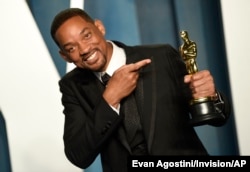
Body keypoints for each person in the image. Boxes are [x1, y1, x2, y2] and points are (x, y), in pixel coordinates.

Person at [50, 8, 231, 172]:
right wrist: (110, 98)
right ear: (64, 56)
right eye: (71, 48)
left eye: (87, 36)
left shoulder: (161, 56)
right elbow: (78, 155)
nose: (84, 49)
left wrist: (210, 96)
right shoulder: (72, 86)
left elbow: (217, 117)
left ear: (100, 27)